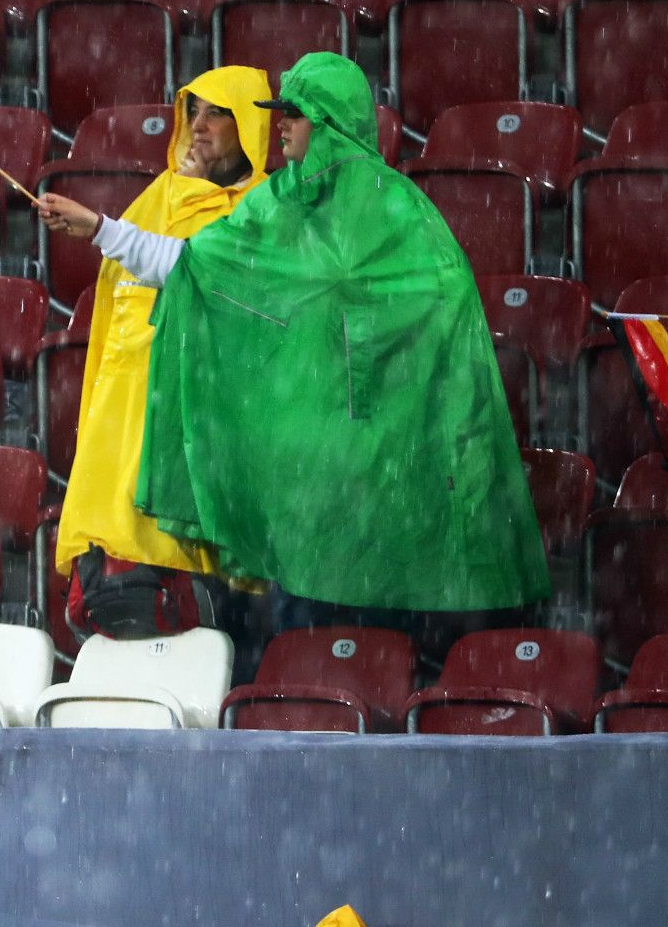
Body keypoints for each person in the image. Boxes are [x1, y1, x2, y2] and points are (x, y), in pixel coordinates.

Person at [42, 52, 548, 633]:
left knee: (377, 620)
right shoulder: (277, 202)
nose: (279, 124)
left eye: (295, 113)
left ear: (329, 123)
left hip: (385, 452)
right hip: (311, 458)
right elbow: (201, 268)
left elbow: (438, 306)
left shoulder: (396, 208)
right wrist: (102, 230)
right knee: (310, 627)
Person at [38, 66, 272, 638]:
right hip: (129, 416)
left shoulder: (264, 207)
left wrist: (184, 195)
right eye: (193, 111)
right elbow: (125, 285)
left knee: (205, 624)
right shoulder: (163, 193)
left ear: (250, 126)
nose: (199, 126)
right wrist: (181, 191)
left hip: (208, 420)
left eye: (217, 113)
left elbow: (197, 267)